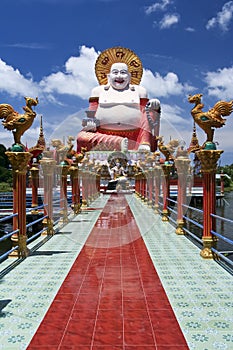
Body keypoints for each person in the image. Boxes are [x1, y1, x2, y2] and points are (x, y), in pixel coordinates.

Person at [77, 47, 161, 152]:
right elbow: (90, 115)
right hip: (103, 136)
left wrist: (155, 107)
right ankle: (118, 142)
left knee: (150, 109)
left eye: (123, 72)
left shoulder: (140, 91)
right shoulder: (98, 91)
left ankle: (144, 144)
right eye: (115, 72)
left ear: (129, 76)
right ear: (108, 76)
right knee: (81, 137)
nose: (119, 76)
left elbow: (147, 117)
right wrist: (90, 123)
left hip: (135, 137)